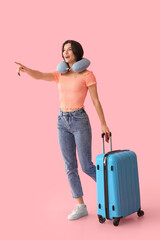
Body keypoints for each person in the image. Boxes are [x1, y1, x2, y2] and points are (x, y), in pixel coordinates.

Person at [15, 40, 110, 221]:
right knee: (69, 167)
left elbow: (96, 101)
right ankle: (80, 205)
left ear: (77, 52)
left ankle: (111, 188)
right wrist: (27, 70)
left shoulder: (87, 75)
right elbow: (41, 75)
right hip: (62, 121)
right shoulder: (60, 73)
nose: (65, 52)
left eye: (69, 49)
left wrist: (104, 124)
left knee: (86, 165)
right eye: (63, 50)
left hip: (79, 120)